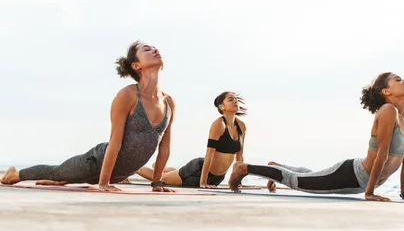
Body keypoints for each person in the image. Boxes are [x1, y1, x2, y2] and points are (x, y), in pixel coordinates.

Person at [0, 41, 175, 192]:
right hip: (96, 162)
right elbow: (115, 141)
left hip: (118, 174)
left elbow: (164, 148)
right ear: (136, 65)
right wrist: (103, 183)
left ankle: (66, 178)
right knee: (57, 172)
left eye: (154, 48)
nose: (154, 49)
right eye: (147, 49)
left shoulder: (169, 103)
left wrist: (157, 183)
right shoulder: (127, 96)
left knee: (64, 176)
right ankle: (14, 174)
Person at [228, 72, 404, 202]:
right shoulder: (387, 111)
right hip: (354, 175)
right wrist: (369, 193)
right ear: (386, 91)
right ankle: (244, 168)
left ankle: (275, 166)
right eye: (398, 80)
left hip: (366, 180)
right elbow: (382, 155)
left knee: (312, 175)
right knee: (298, 182)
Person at [136, 91, 246, 188]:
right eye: (231, 99)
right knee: (161, 178)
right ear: (222, 106)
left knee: (174, 174)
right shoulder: (219, 124)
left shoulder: (241, 126)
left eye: (236, 99)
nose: (235, 101)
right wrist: (202, 182)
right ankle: (134, 168)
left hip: (217, 178)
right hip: (197, 171)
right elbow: (209, 154)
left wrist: (238, 181)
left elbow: (239, 157)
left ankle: (161, 167)